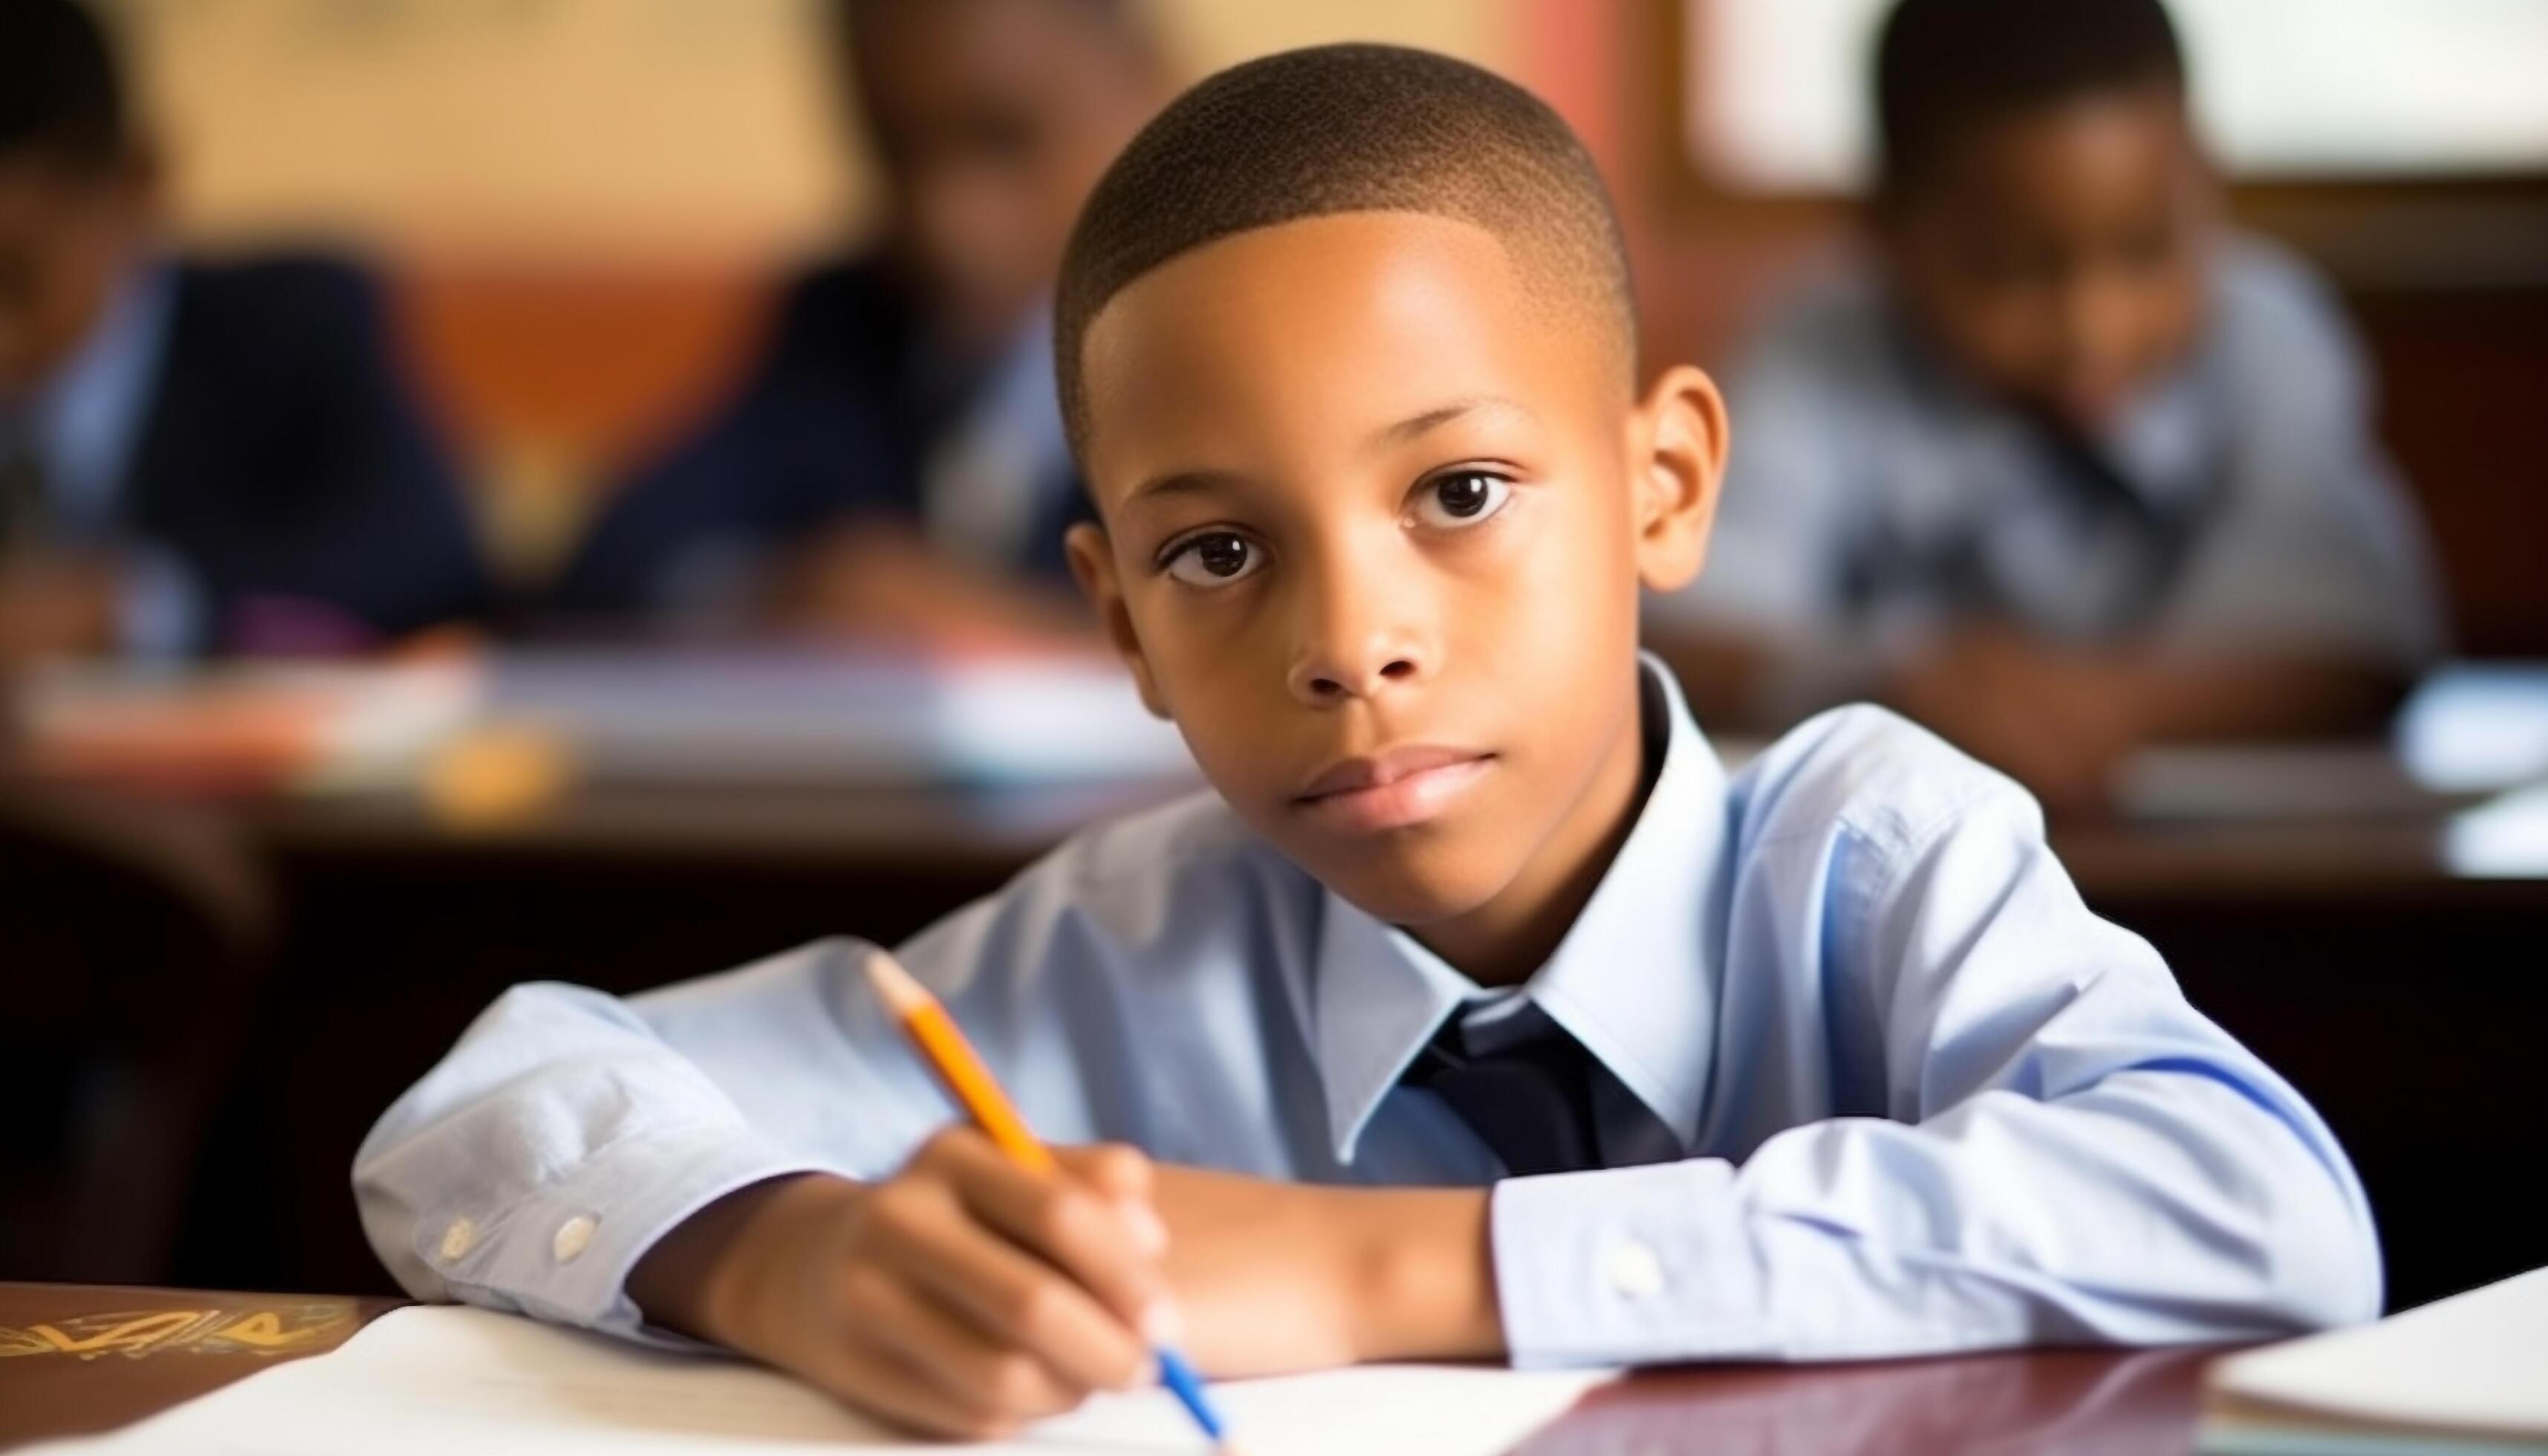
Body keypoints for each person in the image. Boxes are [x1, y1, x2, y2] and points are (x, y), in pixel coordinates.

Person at [357, 45, 2379, 1441]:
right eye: (1216, 551)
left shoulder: (1861, 853)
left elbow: (2261, 1217)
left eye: (1460, 495)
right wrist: (786, 1259)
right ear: (1121, 623)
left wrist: (1387, 1277)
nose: (1346, 644)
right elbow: (487, 1103)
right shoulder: (1116, 949)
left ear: (1663, 483)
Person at [1648, 0, 2443, 808]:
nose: (2091, 330)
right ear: (1885, 231)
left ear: (2205, 186)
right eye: (2013, 271)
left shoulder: (2266, 333)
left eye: (2146, 249)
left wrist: (2095, 707)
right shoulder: (1820, 344)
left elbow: (2358, 645)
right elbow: (1684, 627)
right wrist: (1896, 677)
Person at [541, 0, 1164, 646]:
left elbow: (1251, 628)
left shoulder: (1213, 344)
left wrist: (1004, 633)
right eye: (895, 152)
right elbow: (614, 566)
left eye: (1000, 140)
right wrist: (779, 590)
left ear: (1147, 87)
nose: (947, 218)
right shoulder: (842, 327)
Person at [0, 0, 489, 661]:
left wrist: (130, 603)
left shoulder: (293, 330)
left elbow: (429, 556)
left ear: (136, 182)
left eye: (15, 280)